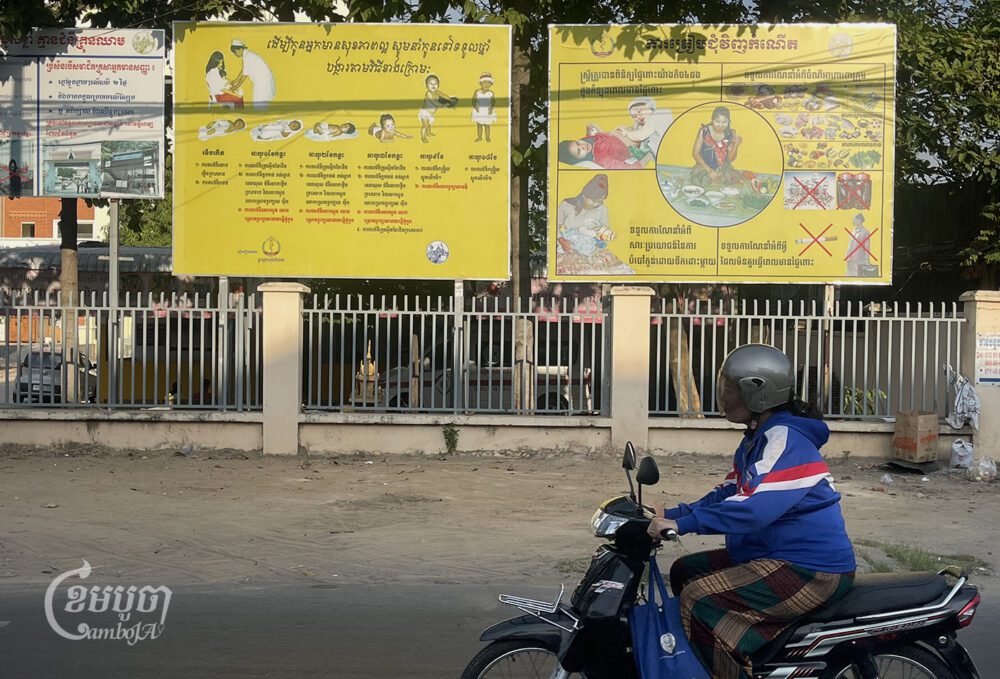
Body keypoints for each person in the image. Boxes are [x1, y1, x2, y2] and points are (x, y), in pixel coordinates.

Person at [648, 344, 856, 679]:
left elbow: (752, 511)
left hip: (810, 569)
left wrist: (683, 524)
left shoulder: (786, 439)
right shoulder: (756, 439)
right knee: (686, 571)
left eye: (730, 389)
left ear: (756, 393)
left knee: (699, 599)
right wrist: (672, 512)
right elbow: (729, 493)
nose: (724, 396)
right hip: (771, 555)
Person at [556, 173, 612, 258]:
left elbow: (604, 233)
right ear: (584, 195)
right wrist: (561, 241)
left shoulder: (602, 210)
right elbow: (554, 226)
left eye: (600, 201)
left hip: (591, 250)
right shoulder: (567, 205)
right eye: (594, 200)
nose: (596, 204)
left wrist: (600, 236)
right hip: (569, 247)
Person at [558, 124, 652, 170]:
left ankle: (641, 133)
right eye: (579, 151)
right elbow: (629, 168)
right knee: (623, 134)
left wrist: (590, 126)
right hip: (631, 148)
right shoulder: (601, 159)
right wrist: (649, 156)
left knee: (620, 128)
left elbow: (589, 129)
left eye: (577, 143)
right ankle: (646, 142)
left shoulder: (587, 141)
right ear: (578, 159)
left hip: (620, 137)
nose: (582, 146)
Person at [691, 105, 743, 187]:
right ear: (712, 120)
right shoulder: (704, 131)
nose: (721, 125)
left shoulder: (730, 134)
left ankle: (720, 177)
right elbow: (695, 154)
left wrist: (736, 145)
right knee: (702, 180)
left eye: (724, 122)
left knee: (730, 178)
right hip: (704, 166)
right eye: (717, 121)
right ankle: (714, 178)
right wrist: (709, 170)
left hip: (722, 167)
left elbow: (730, 159)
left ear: (728, 121)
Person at [229, 39, 276, 110]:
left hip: (263, 82)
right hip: (263, 81)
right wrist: (235, 81)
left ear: (240, 49)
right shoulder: (247, 55)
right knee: (260, 104)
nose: (235, 55)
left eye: (235, 53)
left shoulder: (247, 56)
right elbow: (244, 70)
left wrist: (235, 87)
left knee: (259, 105)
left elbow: (244, 76)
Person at [418, 74, 457, 143]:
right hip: (425, 113)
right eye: (430, 83)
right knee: (425, 126)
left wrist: (450, 99)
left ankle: (429, 133)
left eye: (435, 83)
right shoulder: (428, 94)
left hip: (431, 113)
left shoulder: (437, 92)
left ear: (438, 85)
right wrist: (444, 105)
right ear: (426, 86)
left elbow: (443, 95)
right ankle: (423, 137)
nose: (433, 85)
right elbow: (435, 103)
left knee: (429, 124)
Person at [471, 72, 496, 142]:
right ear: (480, 83)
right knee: (479, 125)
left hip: (487, 111)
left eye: (488, 83)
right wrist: (475, 106)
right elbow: (473, 100)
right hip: (479, 110)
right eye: (484, 82)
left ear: (491, 84)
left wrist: (491, 108)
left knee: (487, 125)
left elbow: (493, 102)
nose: (486, 84)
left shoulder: (491, 92)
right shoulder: (477, 91)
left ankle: (487, 137)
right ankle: (479, 137)